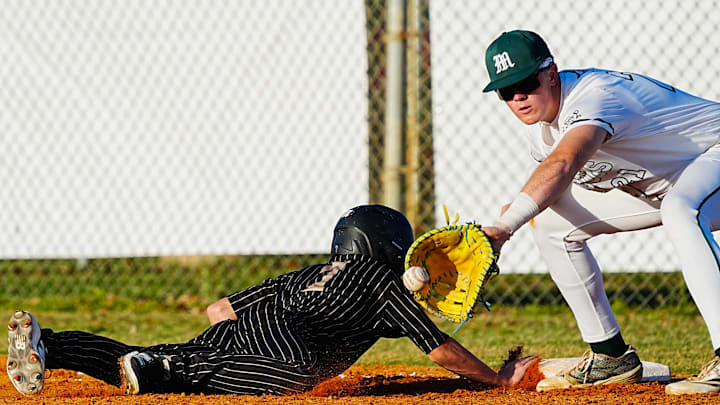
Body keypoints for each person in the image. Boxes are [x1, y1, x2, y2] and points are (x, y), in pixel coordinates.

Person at [6, 204, 539, 397]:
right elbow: (437, 346)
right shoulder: (380, 284)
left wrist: (222, 349)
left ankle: (50, 345)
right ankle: (168, 368)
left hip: (254, 325)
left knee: (154, 359)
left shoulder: (309, 274)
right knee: (299, 369)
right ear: (385, 250)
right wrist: (496, 379)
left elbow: (220, 310)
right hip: (287, 339)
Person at [479, 29, 720, 394]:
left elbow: (564, 163)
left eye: (525, 82)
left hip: (711, 156)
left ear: (550, 72)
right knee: (548, 221)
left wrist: (502, 227)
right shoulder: (541, 128)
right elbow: (557, 180)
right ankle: (611, 357)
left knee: (681, 209)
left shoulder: (596, 97)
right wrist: (515, 212)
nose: (518, 97)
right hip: (670, 181)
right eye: (505, 91)